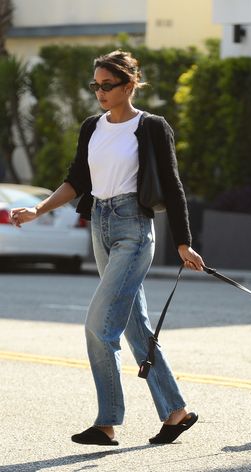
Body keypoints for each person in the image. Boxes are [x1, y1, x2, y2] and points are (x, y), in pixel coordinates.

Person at [10, 50, 205, 446]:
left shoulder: (151, 127)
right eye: (95, 85)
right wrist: (38, 208)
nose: (99, 92)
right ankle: (176, 412)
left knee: (100, 327)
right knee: (135, 327)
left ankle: (107, 422)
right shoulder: (92, 127)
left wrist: (183, 242)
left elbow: (172, 185)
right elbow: (77, 179)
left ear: (129, 85)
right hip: (99, 223)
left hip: (134, 227)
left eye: (107, 85)